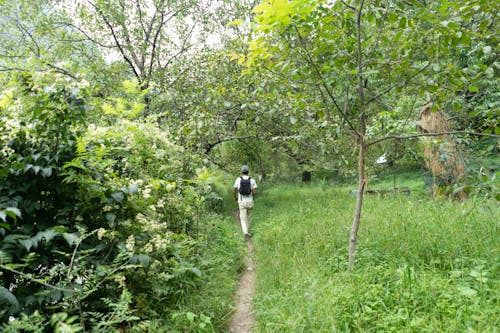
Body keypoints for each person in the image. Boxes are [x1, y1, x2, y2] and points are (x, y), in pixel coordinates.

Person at [233, 165, 257, 240]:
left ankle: (245, 233)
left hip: (242, 202)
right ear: (248, 172)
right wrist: (252, 198)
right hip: (250, 201)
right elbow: (254, 192)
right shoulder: (252, 180)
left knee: (243, 218)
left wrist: (235, 197)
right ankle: (247, 231)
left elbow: (234, 191)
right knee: (249, 217)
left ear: (241, 172)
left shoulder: (238, 180)